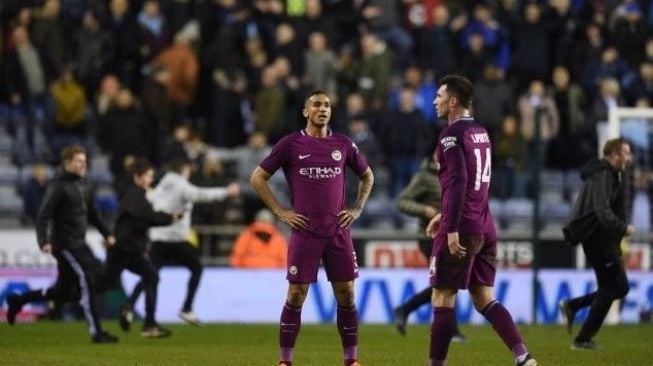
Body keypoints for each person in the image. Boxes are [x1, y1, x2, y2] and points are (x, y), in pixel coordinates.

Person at [251, 90, 374, 366]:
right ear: (306, 111)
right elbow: (258, 178)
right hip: (305, 232)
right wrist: (281, 212)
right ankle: (285, 361)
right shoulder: (291, 144)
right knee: (296, 294)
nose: (323, 109)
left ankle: (351, 361)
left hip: (337, 232)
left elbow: (367, 176)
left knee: (346, 293)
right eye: (316, 105)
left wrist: (357, 208)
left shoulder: (343, 144)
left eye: (327, 105)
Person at [426, 75, 537, 366]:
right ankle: (523, 356)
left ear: (452, 101)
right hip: (485, 223)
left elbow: (460, 180)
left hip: (462, 226)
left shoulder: (450, 135)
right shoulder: (480, 131)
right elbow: (476, 182)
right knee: (483, 296)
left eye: (439, 96)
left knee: (442, 296)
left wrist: (450, 226)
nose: (435, 101)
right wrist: (444, 213)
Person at [5, 145, 119, 344]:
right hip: (65, 245)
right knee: (87, 282)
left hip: (79, 244)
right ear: (67, 163)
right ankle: (96, 333)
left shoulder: (85, 184)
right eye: (78, 161)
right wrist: (44, 240)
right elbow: (44, 214)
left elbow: (93, 215)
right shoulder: (57, 185)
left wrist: (107, 234)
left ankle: (18, 301)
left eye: (84, 161)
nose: (83, 164)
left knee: (63, 293)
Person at [124, 158, 240, 327]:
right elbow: (201, 195)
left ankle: (129, 305)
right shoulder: (181, 185)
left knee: (149, 275)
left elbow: (150, 198)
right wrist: (226, 191)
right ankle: (186, 308)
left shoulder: (163, 184)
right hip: (175, 239)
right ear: (184, 169)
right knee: (197, 268)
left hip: (157, 239)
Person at [559, 138, 634, 350]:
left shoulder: (608, 174)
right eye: (625, 153)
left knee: (613, 287)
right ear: (613, 154)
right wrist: (622, 228)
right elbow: (602, 210)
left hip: (602, 239)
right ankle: (581, 336)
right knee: (616, 287)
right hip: (598, 239)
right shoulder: (603, 173)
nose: (629, 158)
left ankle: (573, 310)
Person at [100, 158, 178, 338]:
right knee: (100, 284)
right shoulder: (135, 194)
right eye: (148, 175)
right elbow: (144, 216)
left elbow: (141, 221)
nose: (151, 179)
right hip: (122, 250)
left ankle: (148, 323)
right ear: (138, 177)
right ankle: (60, 298)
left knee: (151, 276)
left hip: (130, 250)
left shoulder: (135, 194)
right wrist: (168, 218)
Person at [392, 154, 466, 342]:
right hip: (429, 235)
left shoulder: (455, 173)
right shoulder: (424, 177)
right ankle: (450, 330)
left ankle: (407, 310)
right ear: (435, 153)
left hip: (450, 234)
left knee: (448, 281)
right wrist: (424, 210)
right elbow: (402, 201)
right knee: (447, 280)